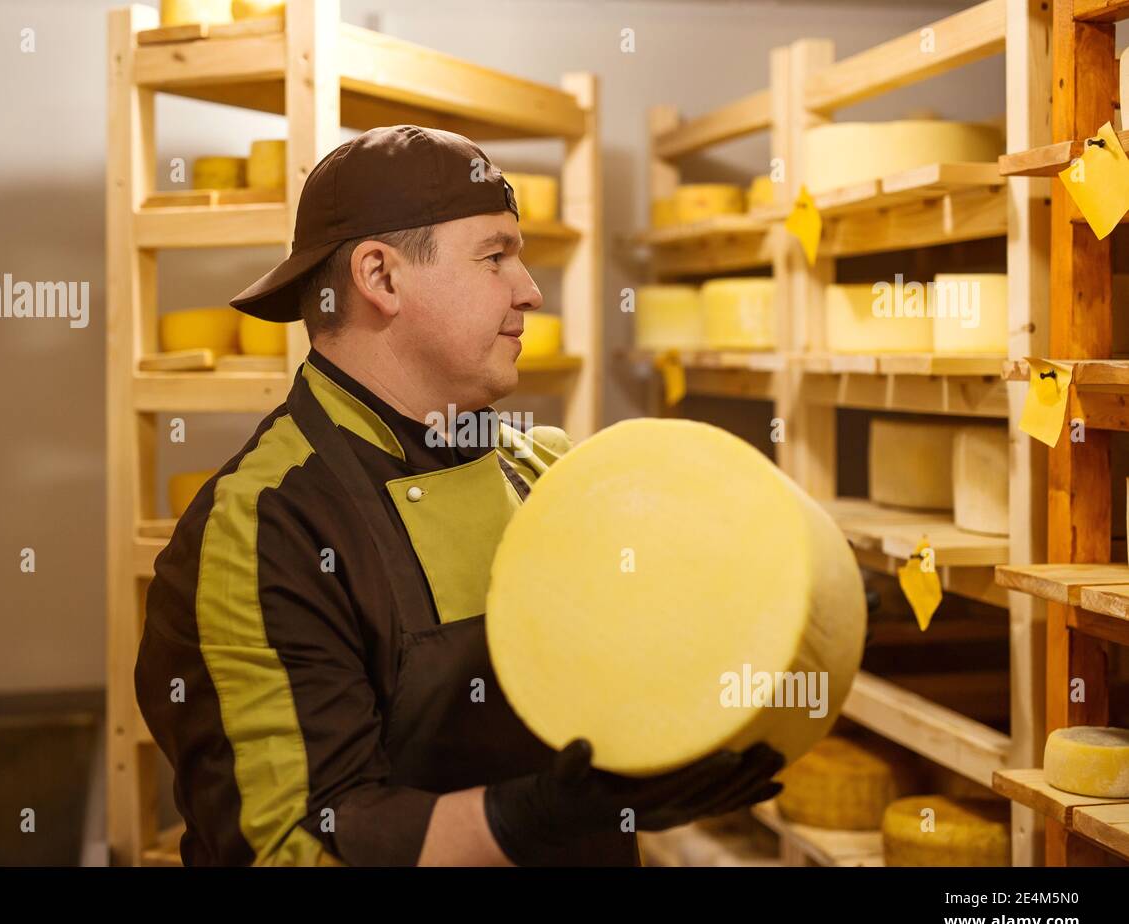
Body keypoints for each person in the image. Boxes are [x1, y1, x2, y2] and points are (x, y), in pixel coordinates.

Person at [135, 125, 783, 866]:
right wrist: (527, 819)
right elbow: (294, 845)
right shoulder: (264, 530)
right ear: (381, 278)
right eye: (496, 255)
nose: (530, 290)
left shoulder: (543, 471)